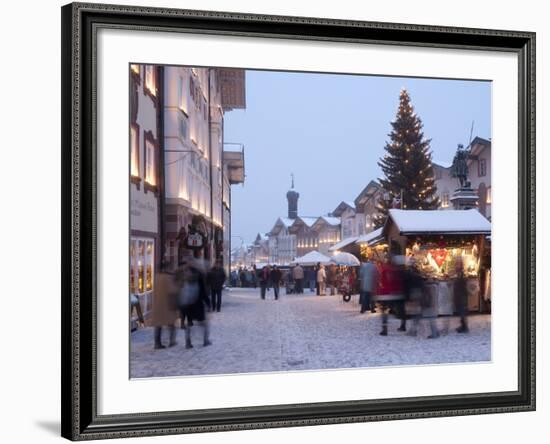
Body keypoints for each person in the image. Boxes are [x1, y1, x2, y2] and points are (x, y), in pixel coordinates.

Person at [176, 259, 212, 349]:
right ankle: (205, 340)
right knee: (203, 324)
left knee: (189, 324)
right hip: (197, 304)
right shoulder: (199, 276)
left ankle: (188, 342)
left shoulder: (184, 276)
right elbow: (203, 292)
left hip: (187, 304)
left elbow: (179, 289)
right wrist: (208, 304)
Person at [151, 263, 178, 349]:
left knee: (158, 325)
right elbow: (172, 291)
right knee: (171, 324)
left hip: (158, 304)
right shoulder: (168, 278)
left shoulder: (156, 277)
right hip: (167, 305)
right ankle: (172, 341)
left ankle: (157, 343)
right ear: (167, 268)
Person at [454, 256, 469, 333]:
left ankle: (464, 327)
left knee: (462, 311)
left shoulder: (461, 274)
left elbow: (461, 284)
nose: (456, 265)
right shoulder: (459, 273)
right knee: (461, 311)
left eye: (457, 263)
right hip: (459, 295)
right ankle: (463, 326)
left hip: (461, 295)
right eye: (456, 263)